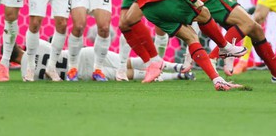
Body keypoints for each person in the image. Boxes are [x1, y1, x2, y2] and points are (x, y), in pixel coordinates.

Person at [13, 40, 192, 82]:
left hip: (80, 73)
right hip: (84, 55)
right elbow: (54, 46)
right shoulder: (35, 44)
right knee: (128, 63)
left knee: (124, 74)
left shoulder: (24, 74)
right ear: (20, 48)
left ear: (13, 61)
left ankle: (177, 76)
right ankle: (178, 66)